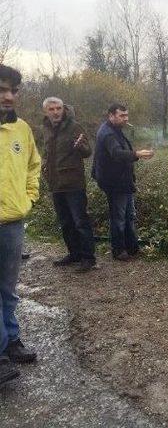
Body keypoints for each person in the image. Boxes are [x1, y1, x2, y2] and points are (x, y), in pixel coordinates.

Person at [0, 64, 40, 385]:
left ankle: (11, 341)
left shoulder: (22, 129)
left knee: (8, 289)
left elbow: (33, 165)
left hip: (13, 222)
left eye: (13, 91)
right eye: (2, 90)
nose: (9, 96)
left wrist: (28, 197)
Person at [92, 103, 153, 260]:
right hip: (114, 182)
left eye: (126, 115)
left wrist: (135, 155)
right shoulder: (108, 134)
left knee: (129, 215)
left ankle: (131, 247)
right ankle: (119, 250)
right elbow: (117, 154)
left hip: (123, 181)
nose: (125, 119)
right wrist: (137, 154)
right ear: (111, 116)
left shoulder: (115, 130)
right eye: (122, 116)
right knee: (119, 217)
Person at [41, 97, 96, 271]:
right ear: (46, 111)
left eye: (58, 108)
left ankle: (88, 258)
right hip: (55, 183)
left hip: (73, 183)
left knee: (80, 221)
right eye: (52, 109)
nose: (56, 112)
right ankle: (74, 254)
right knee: (65, 222)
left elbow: (87, 152)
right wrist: (44, 167)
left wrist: (80, 146)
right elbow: (47, 152)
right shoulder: (46, 128)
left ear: (63, 109)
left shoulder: (75, 127)